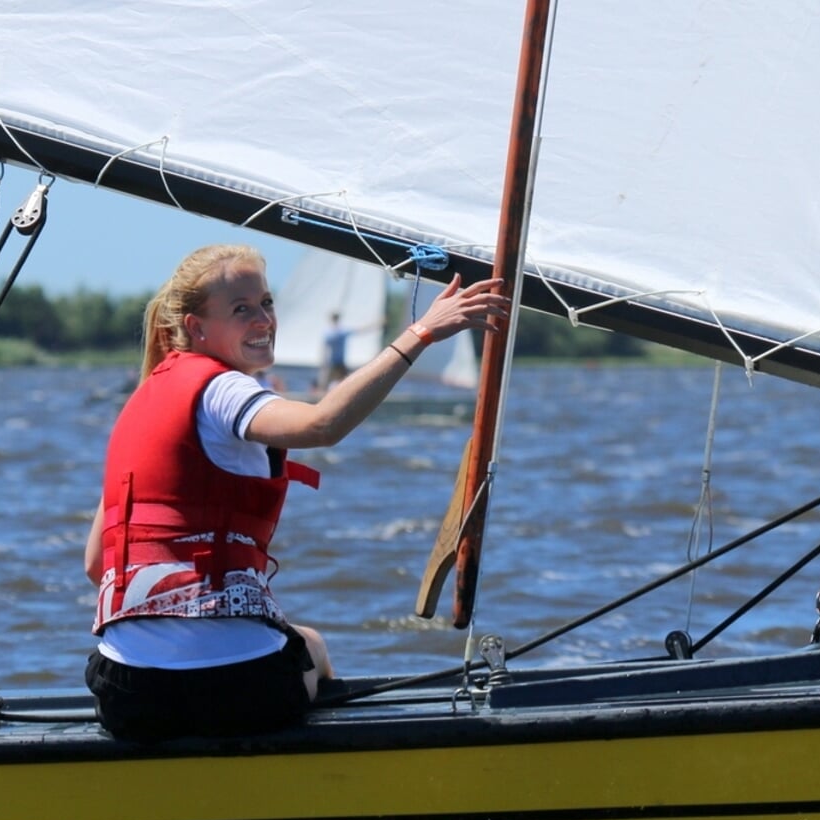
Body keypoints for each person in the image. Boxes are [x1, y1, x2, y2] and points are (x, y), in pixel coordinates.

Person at [83, 244, 508, 741]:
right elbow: (322, 424)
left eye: (266, 303)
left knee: (281, 648)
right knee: (314, 647)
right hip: (233, 687)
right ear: (197, 328)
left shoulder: (138, 407)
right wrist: (421, 333)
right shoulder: (224, 390)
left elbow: (97, 565)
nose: (264, 319)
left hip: (126, 693)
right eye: (241, 309)